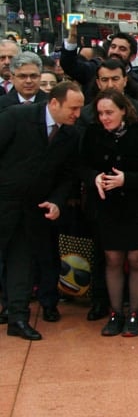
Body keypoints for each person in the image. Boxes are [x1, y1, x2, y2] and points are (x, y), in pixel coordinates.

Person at [0, 82, 84, 340]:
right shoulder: (17, 117)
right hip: (3, 201)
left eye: (80, 108)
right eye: (73, 108)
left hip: (32, 210)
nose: (77, 114)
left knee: (21, 264)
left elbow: (68, 176)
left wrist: (57, 201)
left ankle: (18, 317)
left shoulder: (71, 134)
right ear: (54, 103)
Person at [80, 90, 138, 336]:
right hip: (107, 207)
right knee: (113, 259)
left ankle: (135, 313)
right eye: (100, 113)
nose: (105, 118)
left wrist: (126, 180)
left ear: (123, 110)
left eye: (109, 112)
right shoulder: (92, 134)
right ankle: (115, 312)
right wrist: (94, 177)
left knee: (137, 258)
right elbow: (81, 165)